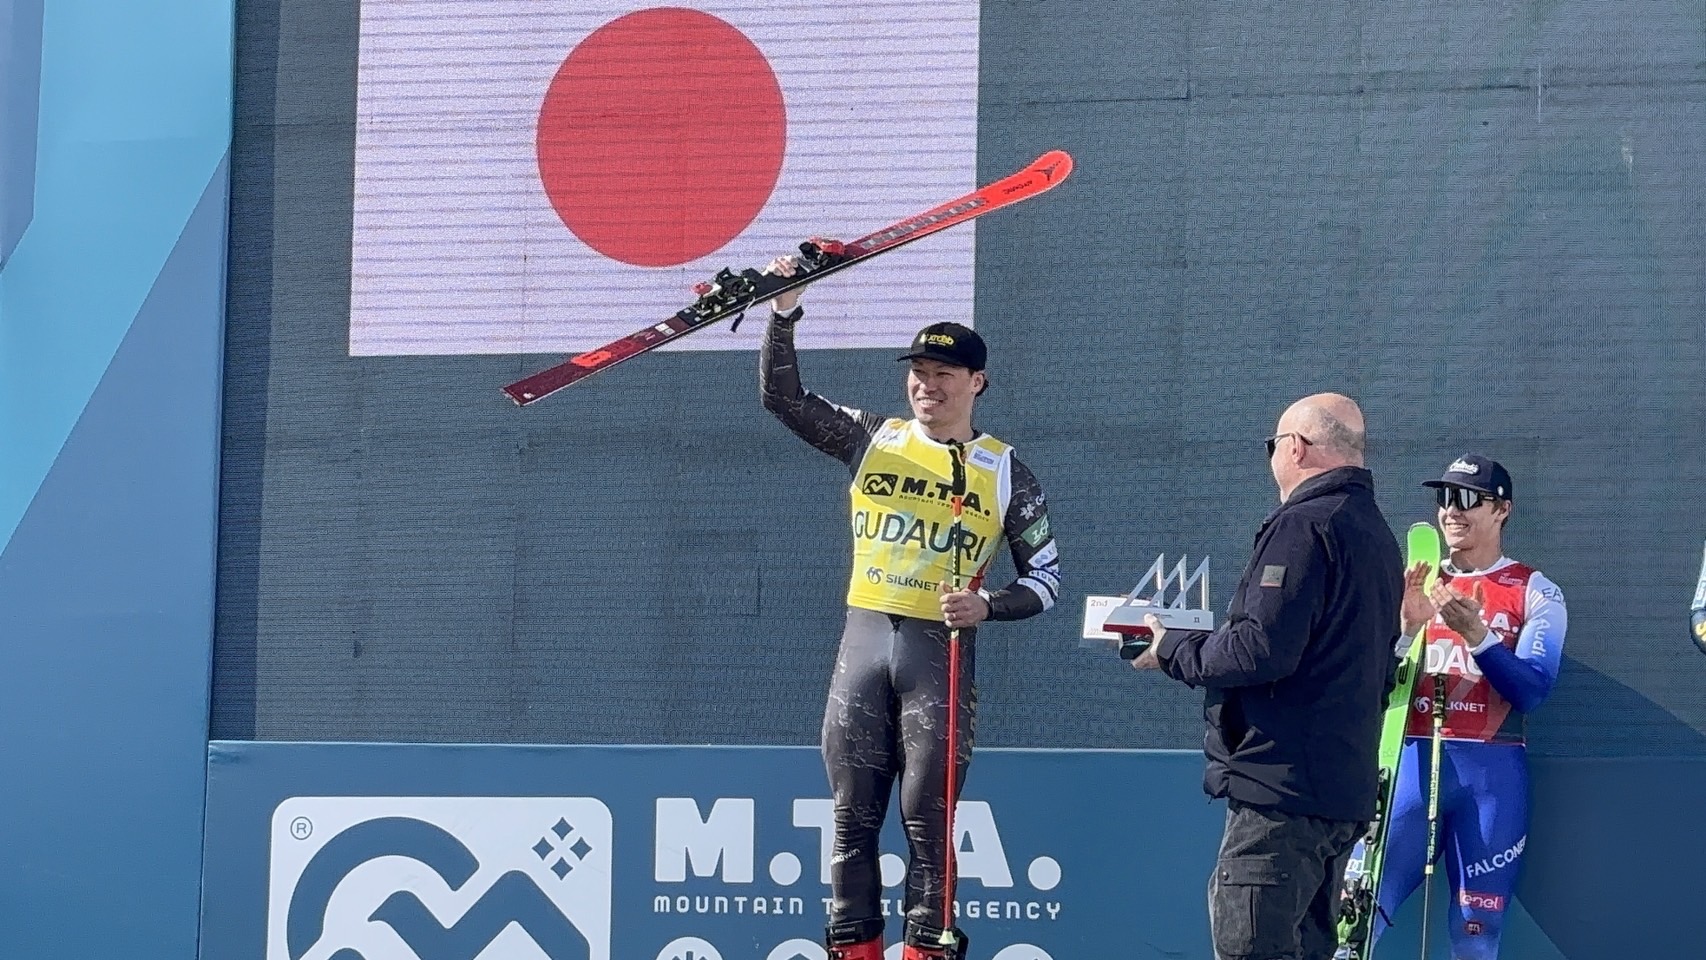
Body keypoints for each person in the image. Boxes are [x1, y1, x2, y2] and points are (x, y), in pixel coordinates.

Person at [759, 257, 1061, 960]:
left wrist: (988, 605)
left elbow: (1046, 579)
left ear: (976, 383)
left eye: (943, 374)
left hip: (938, 654)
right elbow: (784, 399)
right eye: (918, 373)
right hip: (863, 642)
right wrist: (783, 313)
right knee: (850, 818)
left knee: (928, 820)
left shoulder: (1004, 469)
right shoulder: (873, 436)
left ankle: (927, 951)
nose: (927, 385)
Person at [1131, 393, 1403, 960]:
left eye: (1272, 444)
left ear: (1296, 449)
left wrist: (1172, 647)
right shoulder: (1376, 533)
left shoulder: (1304, 525)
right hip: (1337, 792)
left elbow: (1261, 650)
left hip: (1282, 795)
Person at [1372, 455, 1566, 960]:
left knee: (1476, 935)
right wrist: (1407, 632)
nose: (1450, 512)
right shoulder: (1414, 584)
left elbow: (1532, 692)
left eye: (1466, 499)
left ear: (1502, 510)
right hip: (1412, 764)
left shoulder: (1536, 590)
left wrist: (1479, 637)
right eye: (1443, 499)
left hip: (1492, 778)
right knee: (1357, 916)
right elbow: (1367, 688)